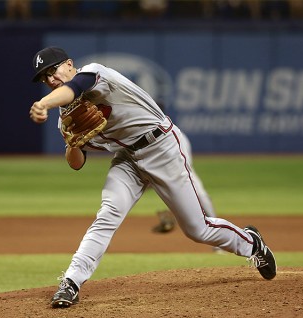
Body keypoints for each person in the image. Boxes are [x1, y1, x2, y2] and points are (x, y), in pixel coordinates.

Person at [29, 47, 277, 309]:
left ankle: (251, 243)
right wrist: (72, 143)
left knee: (197, 229)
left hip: (163, 147)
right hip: (128, 159)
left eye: (52, 71)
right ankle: (71, 281)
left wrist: (43, 103)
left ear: (69, 64)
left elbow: (77, 85)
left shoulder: (94, 72)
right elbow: (76, 164)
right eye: (44, 78)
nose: (50, 80)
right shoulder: (65, 116)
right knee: (108, 214)